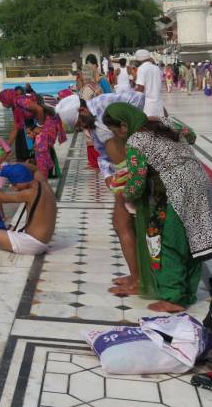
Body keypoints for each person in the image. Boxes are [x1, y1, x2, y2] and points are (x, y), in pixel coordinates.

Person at [102, 103, 212, 312]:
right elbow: (191, 135)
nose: (119, 137)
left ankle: (173, 298)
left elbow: (138, 179)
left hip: (177, 188)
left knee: (168, 242)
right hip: (200, 180)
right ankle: (188, 291)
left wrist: (125, 194)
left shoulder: (135, 140)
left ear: (124, 125)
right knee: (192, 241)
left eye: (116, 132)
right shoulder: (163, 122)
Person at [57, 89, 146, 294]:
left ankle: (139, 279)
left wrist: (132, 132)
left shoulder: (103, 103)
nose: (82, 128)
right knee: (122, 223)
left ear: (82, 109)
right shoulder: (92, 127)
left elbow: (139, 98)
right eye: (78, 127)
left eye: (80, 123)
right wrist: (107, 177)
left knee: (126, 223)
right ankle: (137, 276)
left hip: (135, 167)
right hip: (123, 174)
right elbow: (103, 155)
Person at [0, 162, 57, 288]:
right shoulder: (43, 183)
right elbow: (35, 168)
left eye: (15, 184)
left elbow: (2, 198)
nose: (15, 187)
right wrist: (15, 166)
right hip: (41, 241)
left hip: (33, 243)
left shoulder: (30, 192)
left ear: (20, 182)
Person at [134, 49, 164, 119]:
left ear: (139, 59)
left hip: (148, 105)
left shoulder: (141, 69)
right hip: (159, 104)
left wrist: (133, 99)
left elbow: (140, 88)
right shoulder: (156, 68)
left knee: (148, 127)